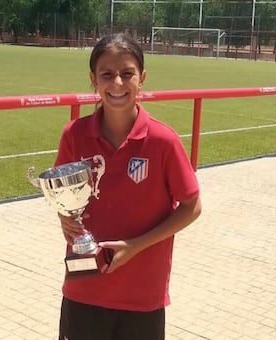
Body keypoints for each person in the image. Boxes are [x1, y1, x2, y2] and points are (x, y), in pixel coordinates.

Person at [54, 33, 201, 340]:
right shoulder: (74, 135)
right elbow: (63, 199)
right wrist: (64, 218)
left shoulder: (163, 140)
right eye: (107, 74)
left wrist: (136, 246)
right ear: (93, 79)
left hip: (141, 296)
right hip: (84, 289)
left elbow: (192, 206)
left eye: (127, 74)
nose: (117, 84)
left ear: (142, 78)